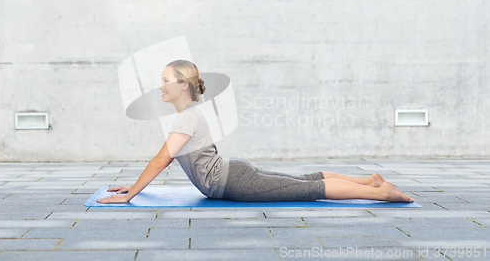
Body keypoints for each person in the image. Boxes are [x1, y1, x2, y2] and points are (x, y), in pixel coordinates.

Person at [97, 59, 414, 204]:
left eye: (166, 80)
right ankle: (367, 180)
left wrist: (132, 194)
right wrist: (135, 186)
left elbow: (160, 159)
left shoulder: (185, 118)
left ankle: (378, 192)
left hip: (234, 180)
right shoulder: (189, 115)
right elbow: (162, 160)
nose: (161, 85)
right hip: (234, 174)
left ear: (183, 86)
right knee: (302, 181)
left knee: (307, 190)